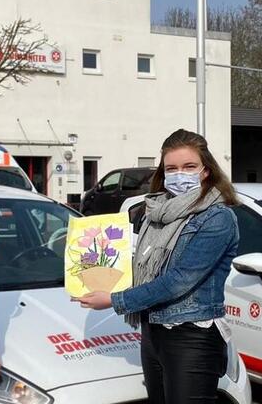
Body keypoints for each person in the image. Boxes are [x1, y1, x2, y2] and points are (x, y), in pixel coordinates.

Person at [77, 129, 239, 404]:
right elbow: (140, 264)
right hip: (152, 330)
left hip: (191, 336)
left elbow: (178, 280)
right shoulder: (155, 213)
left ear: (206, 171)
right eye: (171, 168)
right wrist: (95, 264)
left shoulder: (217, 218)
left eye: (189, 166)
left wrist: (115, 300)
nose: (179, 174)